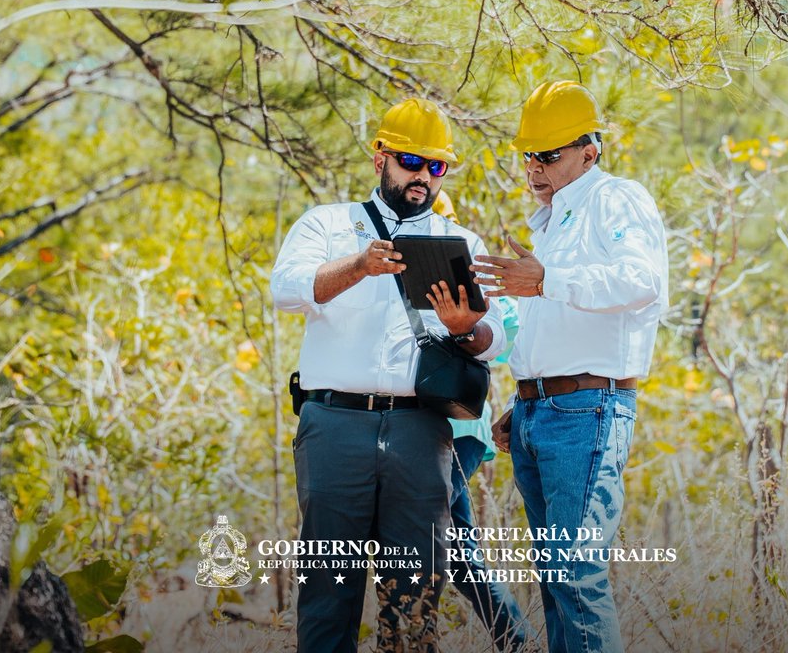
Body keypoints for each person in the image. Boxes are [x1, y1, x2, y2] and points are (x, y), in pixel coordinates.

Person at [270, 98, 507, 653]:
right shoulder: (326, 223)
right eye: (410, 160)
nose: (423, 176)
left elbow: (491, 339)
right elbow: (286, 290)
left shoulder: (463, 243)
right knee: (328, 594)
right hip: (334, 425)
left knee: (415, 600)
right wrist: (359, 265)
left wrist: (464, 327)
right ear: (380, 156)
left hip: (420, 434)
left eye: (436, 166)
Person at [470, 81, 669, 653]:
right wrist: (525, 401)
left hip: (588, 410)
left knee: (576, 577)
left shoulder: (615, 199)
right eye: (528, 156)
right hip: (545, 413)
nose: (534, 168)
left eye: (549, 156)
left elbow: (643, 282)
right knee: (558, 582)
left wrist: (546, 279)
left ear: (590, 151)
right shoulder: (552, 220)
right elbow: (560, 325)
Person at [432, 192, 534, 653]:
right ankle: (517, 641)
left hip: (458, 431)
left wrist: (465, 326)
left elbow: (510, 340)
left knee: (437, 542)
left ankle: (515, 642)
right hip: (423, 429)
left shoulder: (480, 285)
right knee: (454, 552)